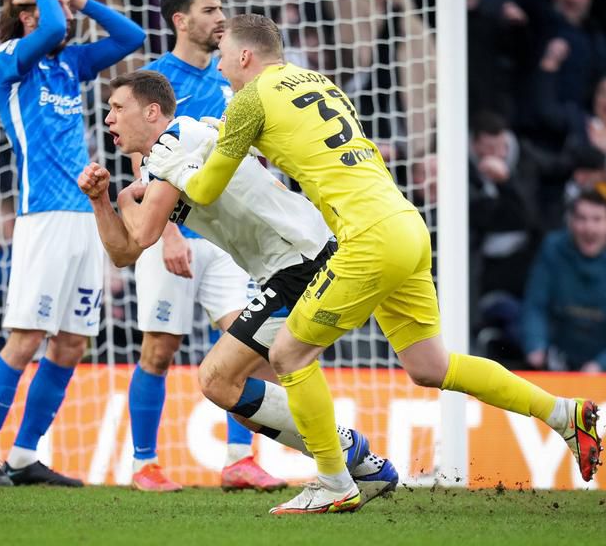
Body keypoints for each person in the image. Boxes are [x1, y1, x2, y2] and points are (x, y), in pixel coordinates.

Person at [146, 14, 603, 514]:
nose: (220, 70)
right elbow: (292, 146)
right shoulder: (318, 84)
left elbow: (207, 188)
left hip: (367, 238)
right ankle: (563, 414)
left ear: (245, 56)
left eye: (224, 58)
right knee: (432, 366)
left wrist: (176, 168)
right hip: (406, 225)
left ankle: (333, 480)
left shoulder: (251, 97)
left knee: (288, 356)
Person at [78, 70, 398, 508]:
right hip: (295, 262)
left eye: (118, 108)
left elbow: (145, 234)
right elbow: (123, 252)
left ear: (152, 111)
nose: (109, 119)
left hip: (299, 259)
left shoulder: (176, 140)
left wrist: (126, 200)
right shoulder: (170, 154)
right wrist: (102, 201)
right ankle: (355, 463)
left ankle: (340, 464)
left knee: (219, 379)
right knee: (230, 380)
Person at [0, 0, 145, 486]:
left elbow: (131, 38)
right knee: (25, 339)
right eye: (42, 9)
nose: (59, 17)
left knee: (70, 343)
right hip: (41, 216)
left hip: (87, 216)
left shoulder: (69, 64)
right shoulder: (8, 60)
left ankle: (23, 455)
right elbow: (50, 25)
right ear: (24, 16)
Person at [126, 0, 283, 493]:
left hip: (227, 238)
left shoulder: (230, 80)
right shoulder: (153, 81)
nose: (221, 18)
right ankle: (144, 465)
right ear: (181, 20)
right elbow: (142, 162)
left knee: (249, 346)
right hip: (175, 232)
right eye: (210, 10)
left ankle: (241, 459)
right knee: (160, 348)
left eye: (221, 9)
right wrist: (166, 233)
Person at [522, 189, 606, 372]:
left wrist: (601, 365)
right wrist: (535, 344)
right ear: (570, 222)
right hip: (561, 358)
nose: (588, 228)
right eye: (581, 218)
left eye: (597, 219)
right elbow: (535, 304)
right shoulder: (553, 249)